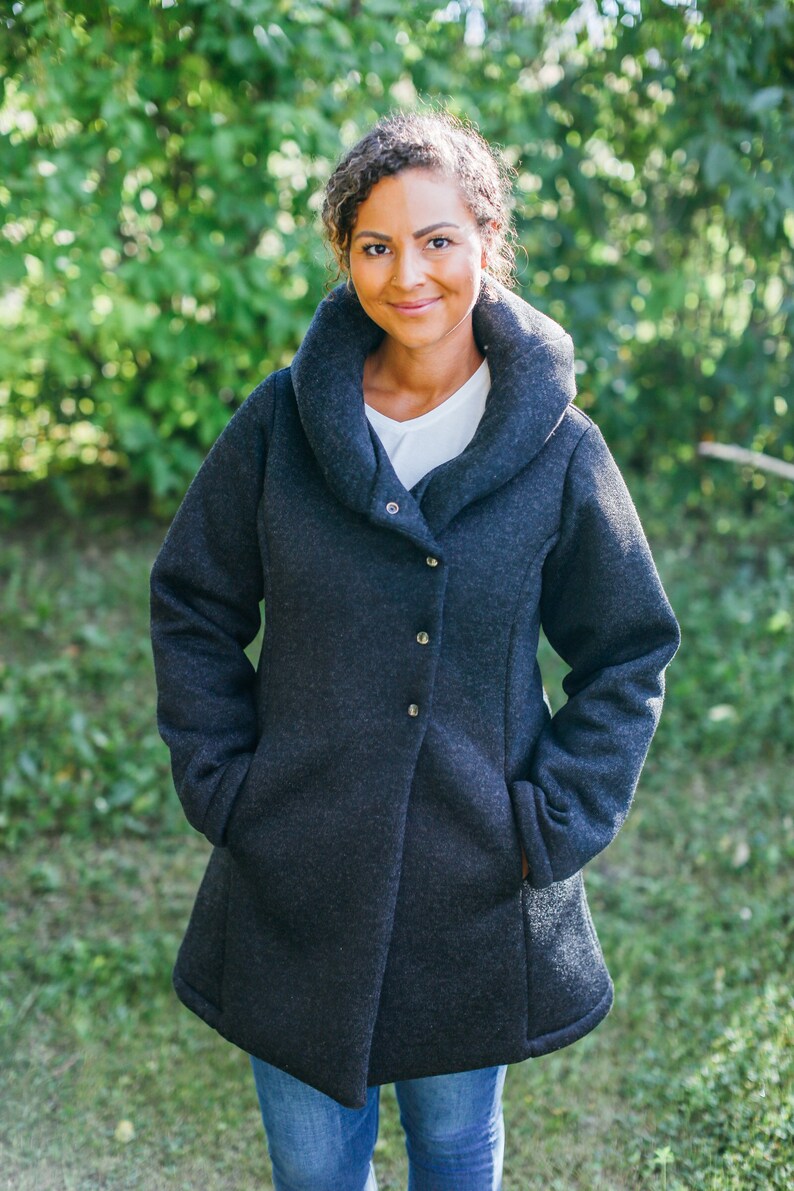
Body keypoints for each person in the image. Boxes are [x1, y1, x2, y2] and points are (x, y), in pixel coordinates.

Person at [150, 110, 680, 1190]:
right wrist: (224, 785)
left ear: (486, 238)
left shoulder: (558, 449)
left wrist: (549, 821)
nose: (409, 275)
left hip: (475, 882)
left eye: (437, 239)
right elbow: (193, 600)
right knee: (312, 1170)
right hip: (294, 872)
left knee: (453, 1151)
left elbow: (626, 651)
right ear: (344, 257)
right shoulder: (280, 426)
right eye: (375, 245)